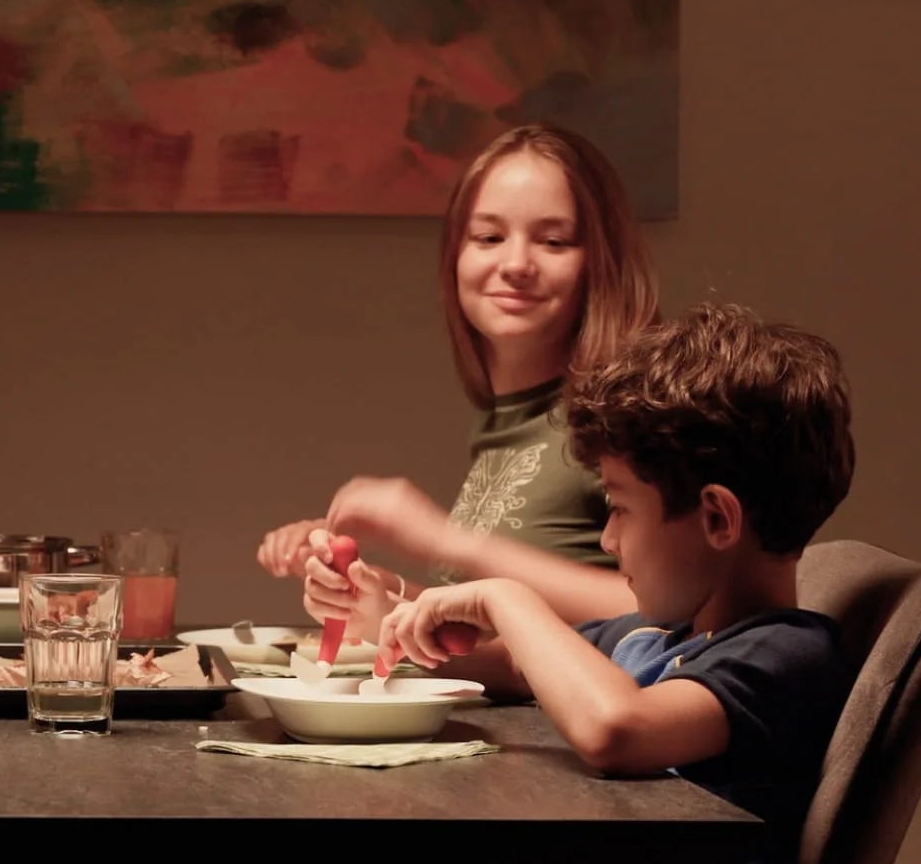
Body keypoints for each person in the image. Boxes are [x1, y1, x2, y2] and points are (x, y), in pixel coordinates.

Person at [238, 303, 857, 864]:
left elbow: (617, 728)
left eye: (619, 507)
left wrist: (507, 594)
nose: (609, 540)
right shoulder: (659, 633)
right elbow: (511, 663)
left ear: (716, 517)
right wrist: (389, 611)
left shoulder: (787, 654)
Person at [258, 124, 658, 641]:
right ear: (456, 257)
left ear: (600, 263)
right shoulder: (511, 421)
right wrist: (381, 595)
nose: (515, 264)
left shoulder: (629, 416)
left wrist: (443, 538)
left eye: (553, 241)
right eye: (489, 237)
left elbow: (671, 617)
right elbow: (510, 626)